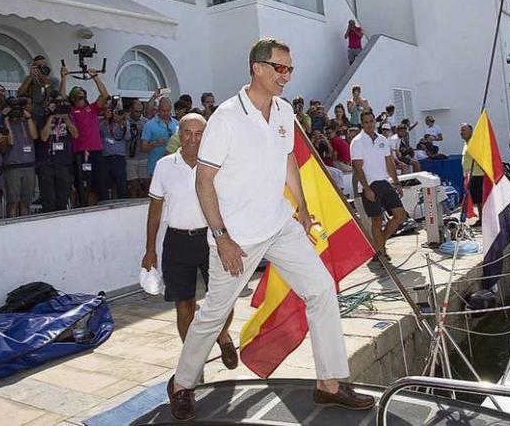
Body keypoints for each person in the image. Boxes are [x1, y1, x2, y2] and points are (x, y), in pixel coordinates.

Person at [167, 38, 374, 421]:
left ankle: (329, 384)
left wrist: (304, 210)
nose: (287, 76)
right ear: (257, 68)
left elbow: (288, 161)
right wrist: (221, 237)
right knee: (214, 313)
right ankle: (181, 385)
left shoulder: (282, 112)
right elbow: (204, 182)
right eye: (281, 68)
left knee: (322, 290)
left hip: (280, 226)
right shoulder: (226, 118)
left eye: (290, 69)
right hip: (238, 239)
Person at [142, 113, 238, 369]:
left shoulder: (220, 166)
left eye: (199, 134)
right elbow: (154, 210)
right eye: (187, 133)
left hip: (213, 240)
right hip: (177, 243)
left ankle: (223, 335)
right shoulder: (164, 166)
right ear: (179, 135)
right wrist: (150, 249)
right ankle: (193, 362)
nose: (193, 139)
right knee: (184, 305)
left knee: (223, 300)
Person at [351, 110, 405, 257]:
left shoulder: (382, 139)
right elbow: (358, 167)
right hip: (369, 185)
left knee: (400, 215)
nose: (369, 124)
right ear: (362, 124)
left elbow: (389, 163)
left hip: (384, 182)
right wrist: (367, 189)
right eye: (366, 122)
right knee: (377, 220)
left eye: (371, 121)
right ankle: (381, 253)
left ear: (375, 121)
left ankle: (378, 245)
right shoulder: (357, 142)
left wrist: (397, 183)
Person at [60, 67, 110, 207]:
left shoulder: (92, 109)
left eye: (83, 96)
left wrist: (95, 77)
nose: (82, 98)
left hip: (96, 151)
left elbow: (104, 95)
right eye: (78, 96)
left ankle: (92, 210)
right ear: (73, 98)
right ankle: (80, 210)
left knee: (96, 185)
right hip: (81, 152)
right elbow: (62, 99)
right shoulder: (71, 111)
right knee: (82, 185)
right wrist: (64, 78)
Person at [37, 95, 78, 212]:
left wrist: (66, 119)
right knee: (48, 200)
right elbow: (44, 138)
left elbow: (75, 135)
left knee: (62, 199)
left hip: (63, 163)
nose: (58, 106)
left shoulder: (69, 117)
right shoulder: (42, 117)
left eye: (61, 103)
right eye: (56, 103)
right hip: (46, 163)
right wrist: (50, 118)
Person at [2, 97, 38, 217]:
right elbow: (10, 141)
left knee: (25, 201)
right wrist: (6, 119)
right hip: (13, 164)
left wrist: (27, 117)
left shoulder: (28, 120)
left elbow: (34, 136)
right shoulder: (7, 122)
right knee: (13, 202)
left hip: (29, 164)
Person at [140, 97, 177, 178]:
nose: (166, 113)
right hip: (155, 167)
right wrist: (155, 143)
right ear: (158, 109)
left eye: (168, 110)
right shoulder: (149, 125)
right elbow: (143, 147)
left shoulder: (177, 124)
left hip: (174, 168)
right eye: (163, 110)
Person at [17, 56, 59, 125]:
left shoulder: (54, 80)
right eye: (39, 66)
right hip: (35, 113)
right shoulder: (30, 79)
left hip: (49, 113)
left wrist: (43, 79)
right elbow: (20, 93)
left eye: (44, 65)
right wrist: (30, 77)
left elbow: (52, 95)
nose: (42, 68)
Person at [100, 106, 129, 199]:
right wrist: (105, 119)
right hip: (105, 157)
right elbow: (95, 131)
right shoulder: (103, 122)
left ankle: (122, 203)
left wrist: (121, 125)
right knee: (105, 185)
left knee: (121, 185)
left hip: (119, 158)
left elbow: (127, 137)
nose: (115, 115)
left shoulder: (124, 122)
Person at [125, 100, 149, 198]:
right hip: (130, 157)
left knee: (146, 184)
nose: (138, 114)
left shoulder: (146, 122)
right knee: (133, 184)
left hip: (144, 156)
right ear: (130, 109)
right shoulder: (125, 120)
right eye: (136, 111)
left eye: (140, 112)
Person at [460, 123, 483, 218]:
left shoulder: (474, 143)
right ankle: (480, 218)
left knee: (479, 199)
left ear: (471, 131)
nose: (461, 133)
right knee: (476, 199)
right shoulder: (467, 143)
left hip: (477, 174)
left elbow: (480, 157)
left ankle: (482, 219)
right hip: (470, 175)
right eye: (461, 131)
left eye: (464, 130)